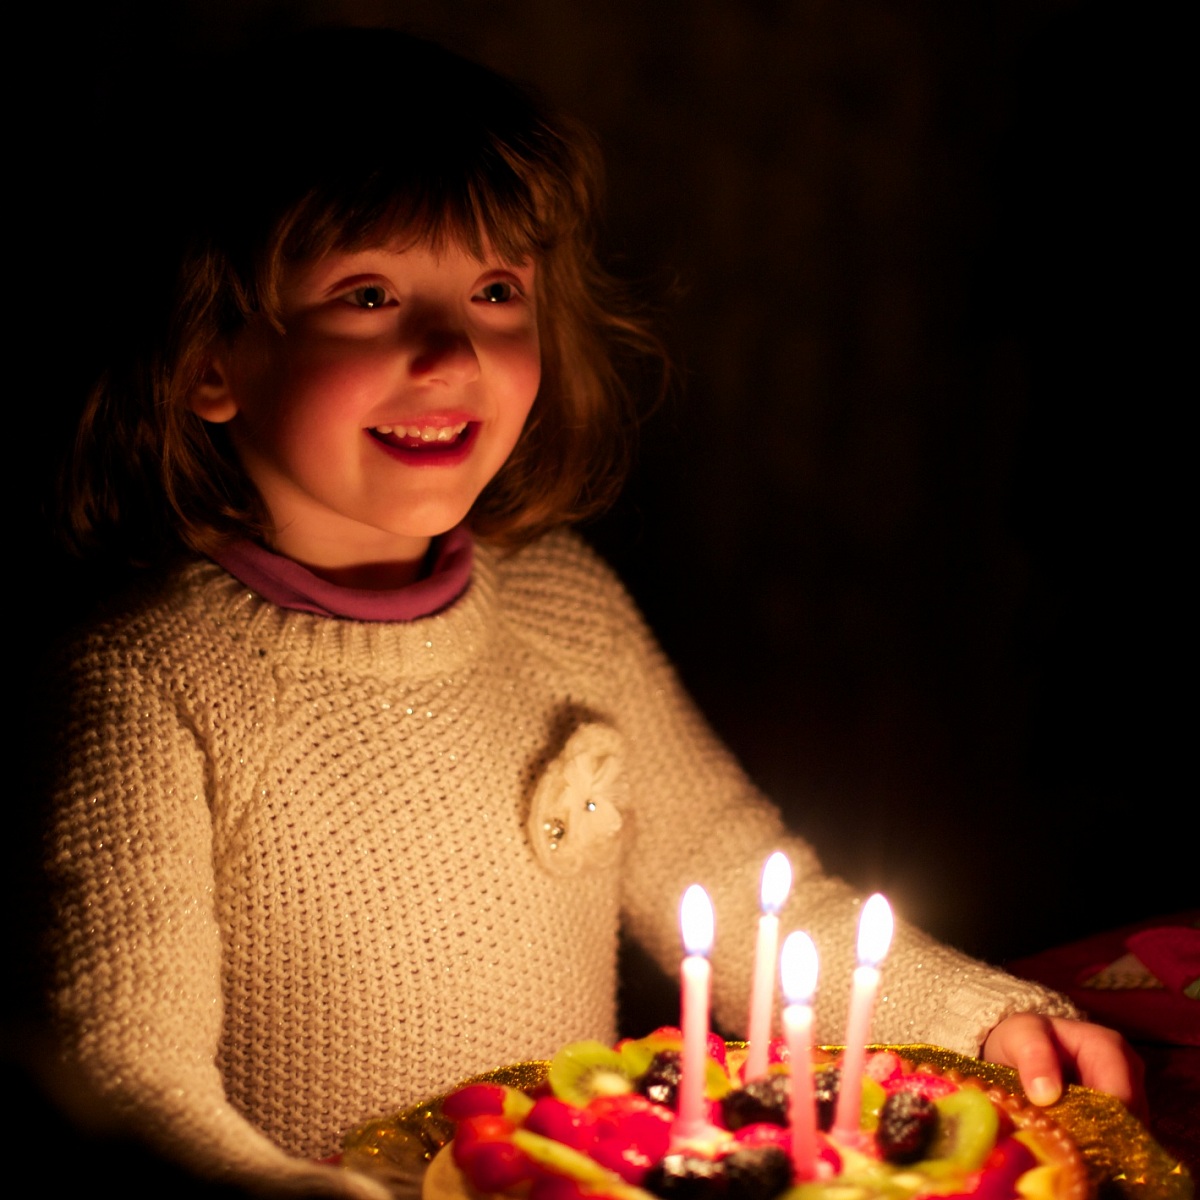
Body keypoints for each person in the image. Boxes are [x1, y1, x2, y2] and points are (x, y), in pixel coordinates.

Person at [40, 26, 1141, 1200]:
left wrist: (977, 1018)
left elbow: (736, 869)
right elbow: (122, 1075)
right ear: (212, 360)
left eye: (495, 290)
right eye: (367, 296)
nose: (450, 346)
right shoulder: (152, 676)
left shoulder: (563, 602)